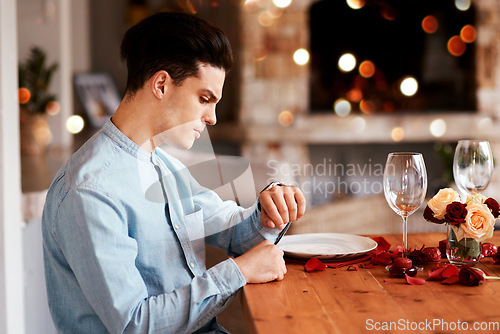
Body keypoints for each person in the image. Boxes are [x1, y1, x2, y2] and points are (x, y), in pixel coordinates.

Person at [42, 11, 306, 334]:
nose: (212, 118)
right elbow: (135, 325)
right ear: (162, 84)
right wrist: (237, 272)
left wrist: (268, 210)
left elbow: (235, 232)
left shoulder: (164, 165)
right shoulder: (90, 190)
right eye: (204, 99)